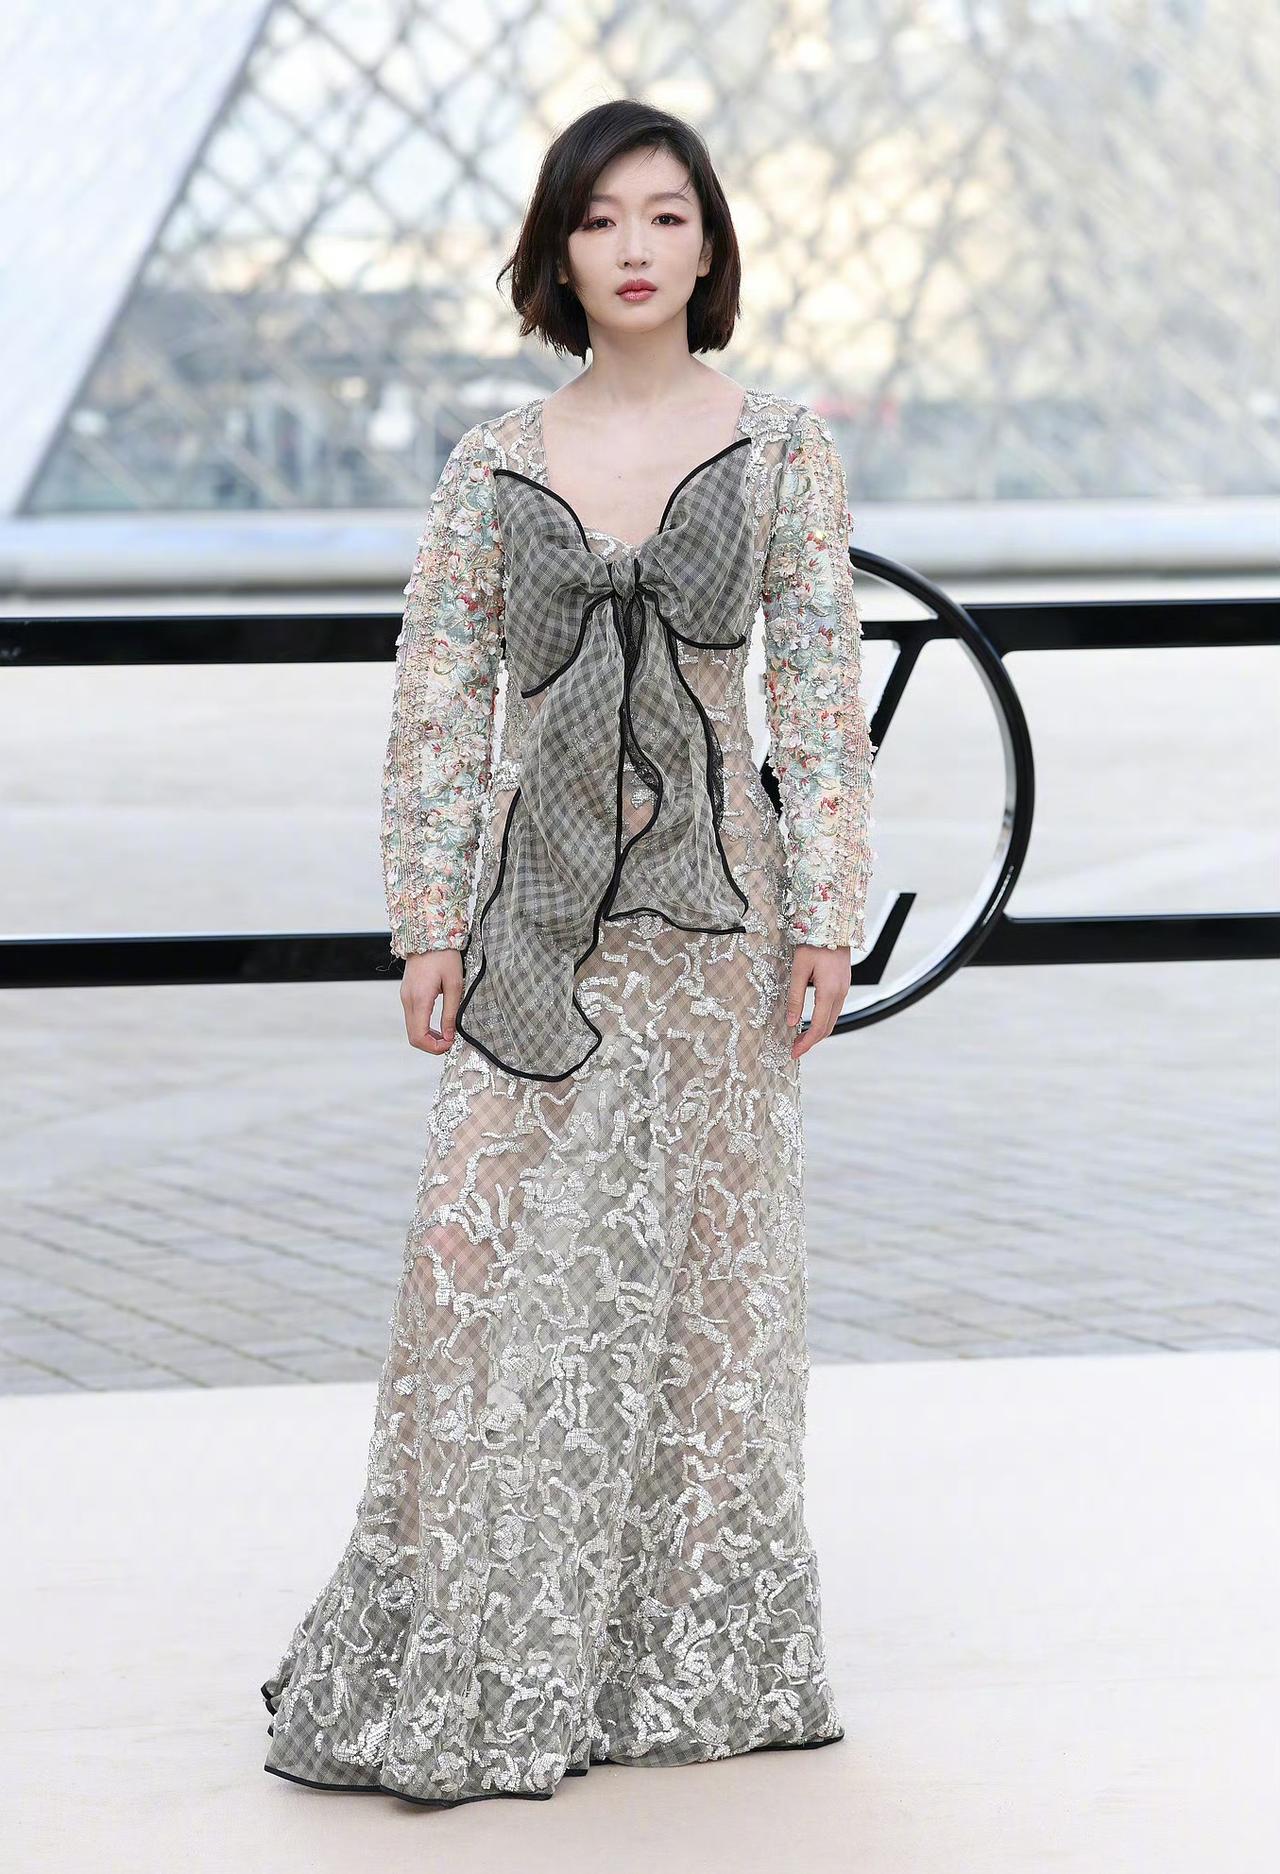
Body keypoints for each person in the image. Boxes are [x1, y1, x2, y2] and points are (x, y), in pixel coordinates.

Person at [260, 97, 876, 1810]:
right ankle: (468, 1638)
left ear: (710, 243)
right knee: (475, 1258)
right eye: (601, 218)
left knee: (708, 1284)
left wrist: (829, 910)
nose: (634, 247)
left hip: (720, 926)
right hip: (537, 918)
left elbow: (819, 702)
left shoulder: (784, 450)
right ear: (557, 250)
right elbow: (439, 710)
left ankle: (682, 1659)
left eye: (666, 215)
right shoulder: (492, 465)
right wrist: (426, 922)